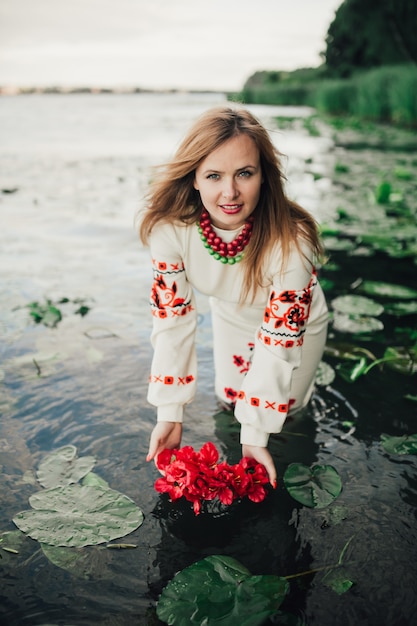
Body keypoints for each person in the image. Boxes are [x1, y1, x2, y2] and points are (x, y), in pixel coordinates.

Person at [139, 105, 328, 486]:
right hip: (230, 312)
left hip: (296, 329)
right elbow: (172, 321)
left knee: (284, 419)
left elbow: (280, 338)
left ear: (264, 175)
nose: (230, 192)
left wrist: (257, 436)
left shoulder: (293, 240)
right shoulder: (169, 229)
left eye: (245, 173)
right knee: (230, 402)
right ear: (194, 178)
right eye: (213, 175)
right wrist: (169, 412)